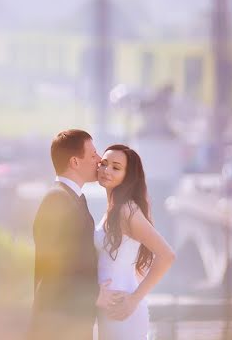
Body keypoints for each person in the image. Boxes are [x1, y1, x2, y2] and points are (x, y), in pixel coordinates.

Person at [31, 129, 118, 340]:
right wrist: (95, 294)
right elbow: (57, 269)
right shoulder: (57, 200)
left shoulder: (74, 198)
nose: (99, 160)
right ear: (75, 162)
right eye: (93, 155)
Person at [95, 144, 176, 339]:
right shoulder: (113, 209)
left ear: (127, 176)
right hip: (111, 309)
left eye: (116, 167)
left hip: (121, 311)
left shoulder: (126, 210)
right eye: (104, 164)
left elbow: (167, 255)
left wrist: (133, 300)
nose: (106, 170)